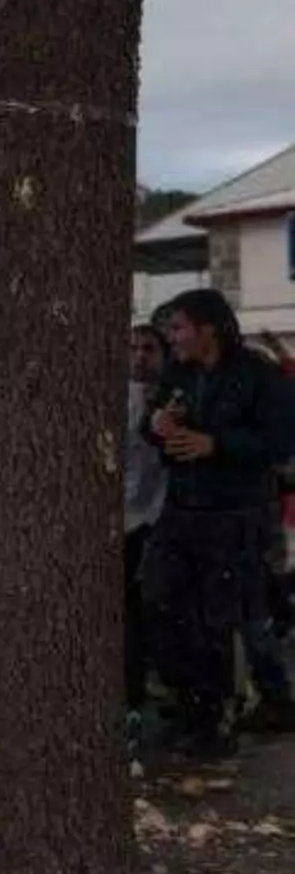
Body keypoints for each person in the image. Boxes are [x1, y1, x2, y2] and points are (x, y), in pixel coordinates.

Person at [141, 290, 295, 757]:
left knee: (225, 619)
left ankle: (222, 720)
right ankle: (190, 709)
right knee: (161, 602)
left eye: (179, 328)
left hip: (236, 515)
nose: (173, 338)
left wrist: (216, 444)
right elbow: (151, 428)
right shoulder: (179, 373)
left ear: (208, 328)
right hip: (182, 510)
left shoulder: (258, 375)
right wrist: (157, 423)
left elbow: (280, 442)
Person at [126, 324, 168, 724]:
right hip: (123, 520)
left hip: (155, 518)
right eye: (133, 348)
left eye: (148, 349)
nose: (140, 356)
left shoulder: (171, 397)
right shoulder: (117, 395)